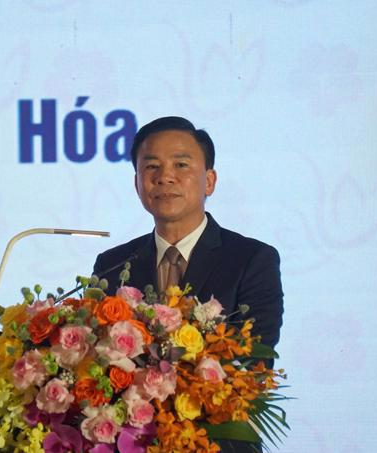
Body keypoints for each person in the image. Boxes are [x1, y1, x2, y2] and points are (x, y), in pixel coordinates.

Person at [92, 116, 284, 452]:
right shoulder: (112, 265)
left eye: (181, 164)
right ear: (137, 183)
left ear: (209, 181)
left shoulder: (252, 259)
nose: (164, 176)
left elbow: (253, 363)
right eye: (151, 167)